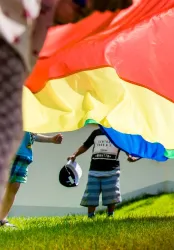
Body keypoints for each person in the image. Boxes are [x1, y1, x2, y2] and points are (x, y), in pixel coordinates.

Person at [0, 0, 133, 214]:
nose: (80, 17)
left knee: (11, 184)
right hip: (10, 50)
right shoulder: (16, 26)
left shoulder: (36, 29)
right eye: (82, 5)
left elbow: (30, 133)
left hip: (23, 146)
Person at [67, 127, 137, 218]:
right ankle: (91, 216)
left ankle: (110, 215)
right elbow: (85, 145)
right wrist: (74, 155)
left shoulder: (118, 134)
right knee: (91, 194)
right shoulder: (96, 133)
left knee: (111, 194)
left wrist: (130, 156)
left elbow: (126, 147)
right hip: (94, 171)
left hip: (112, 171)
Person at [0, 132, 62, 227]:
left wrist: (51, 139)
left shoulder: (30, 120)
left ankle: (2, 219)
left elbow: (33, 135)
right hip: (11, 152)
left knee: (13, 188)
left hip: (24, 156)